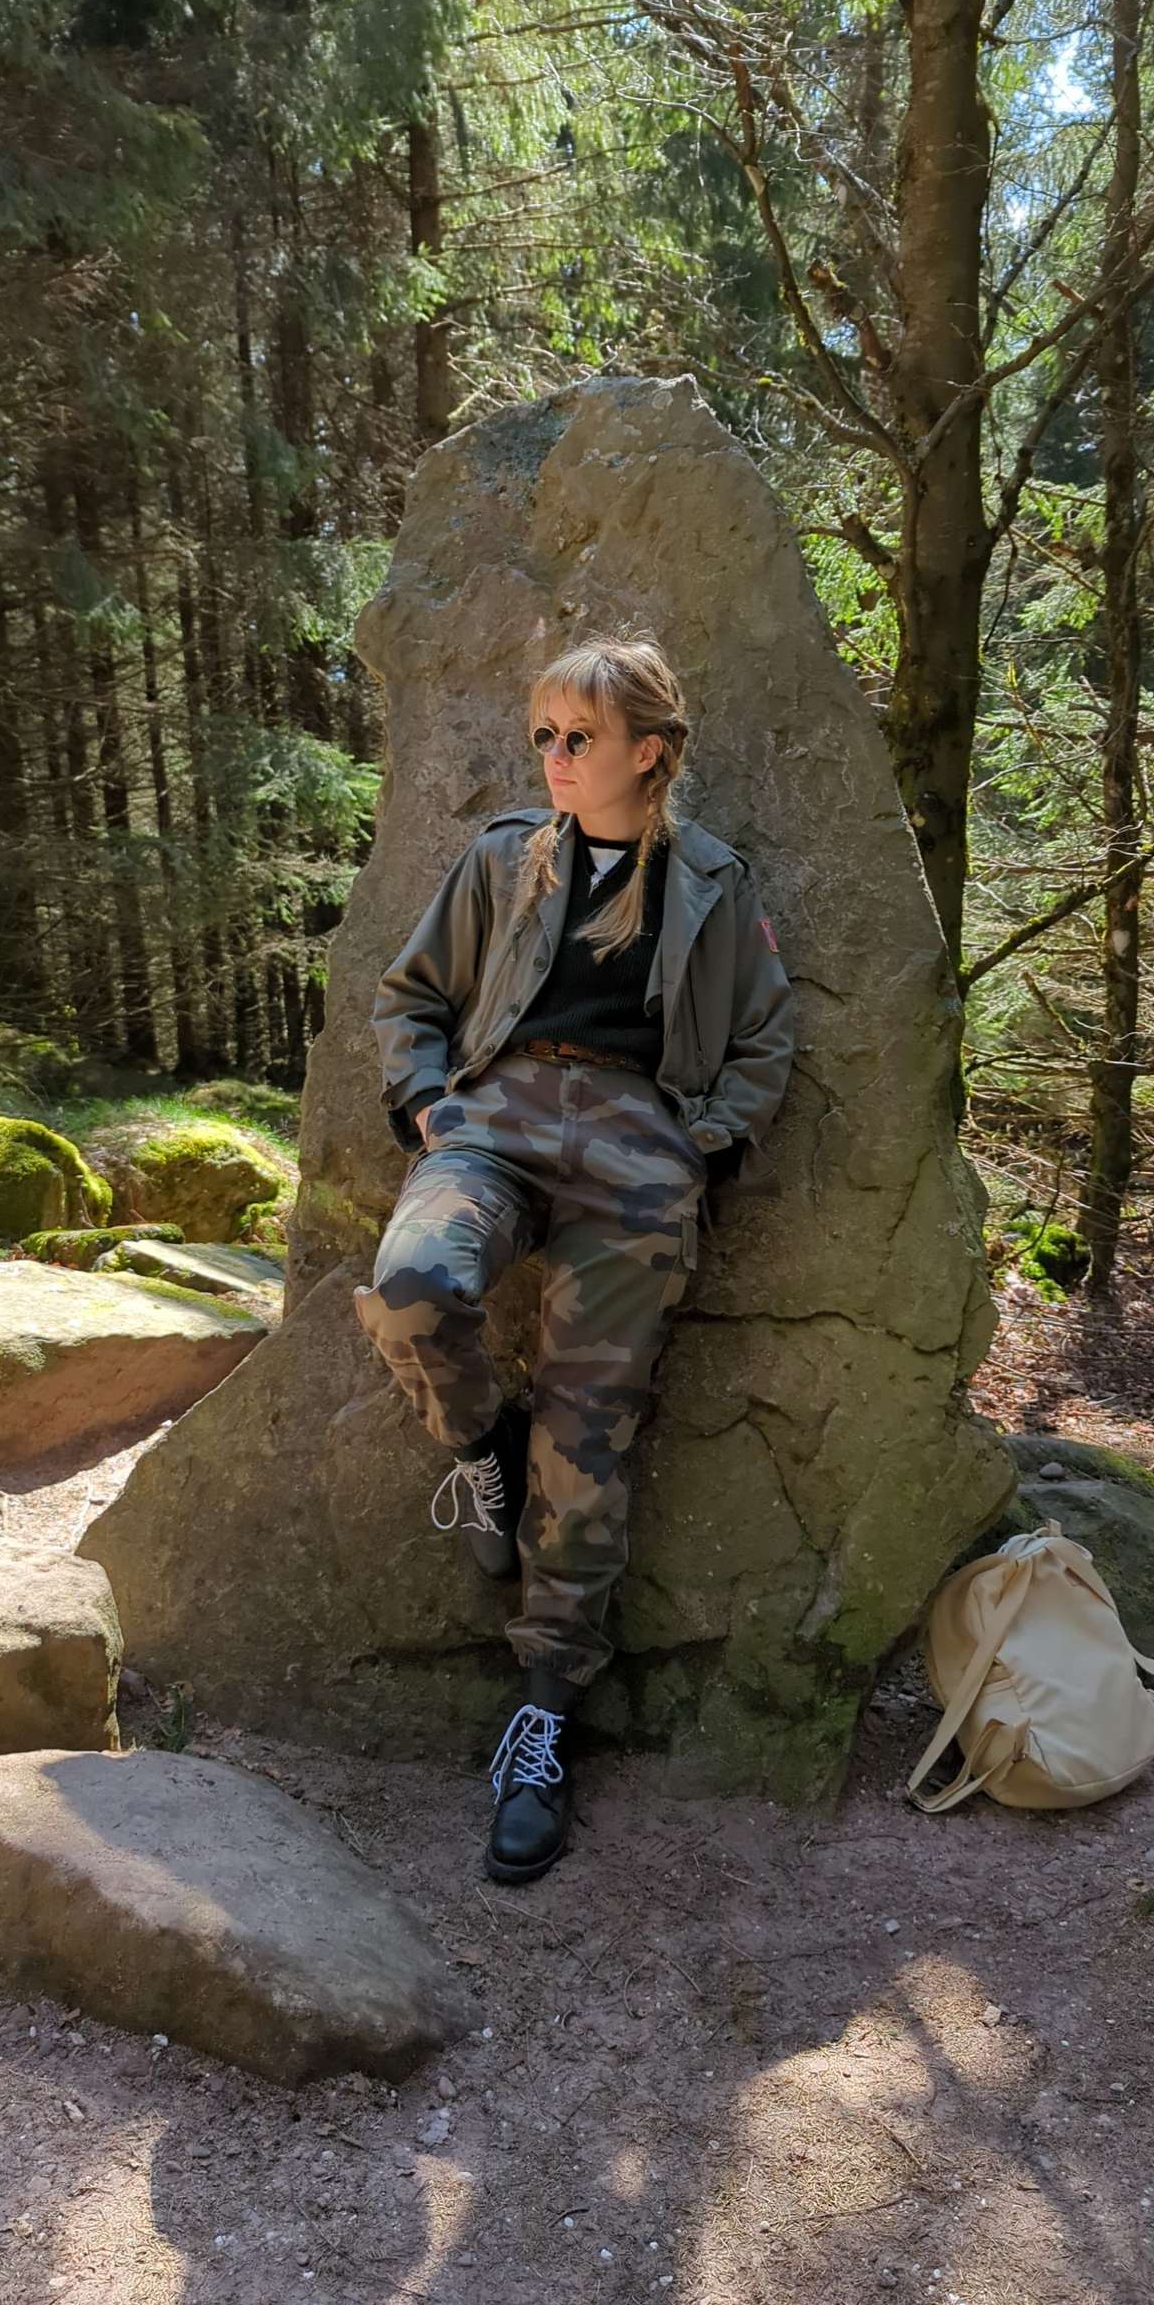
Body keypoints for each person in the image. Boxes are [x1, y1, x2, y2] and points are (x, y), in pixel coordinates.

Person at [352, 635, 796, 1883]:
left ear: (647, 752)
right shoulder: (504, 857)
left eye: (578, 737)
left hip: (635, 1149)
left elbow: (765, 1039)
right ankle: (478, 1448)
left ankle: (543, 1714)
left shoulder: (711, 882)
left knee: (588, 1435)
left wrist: (698, 1147)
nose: (552, 756)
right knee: (413, 1286)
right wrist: (427, 1104)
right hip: (491, 1123)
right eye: (542, 734)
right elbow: (409, 995)